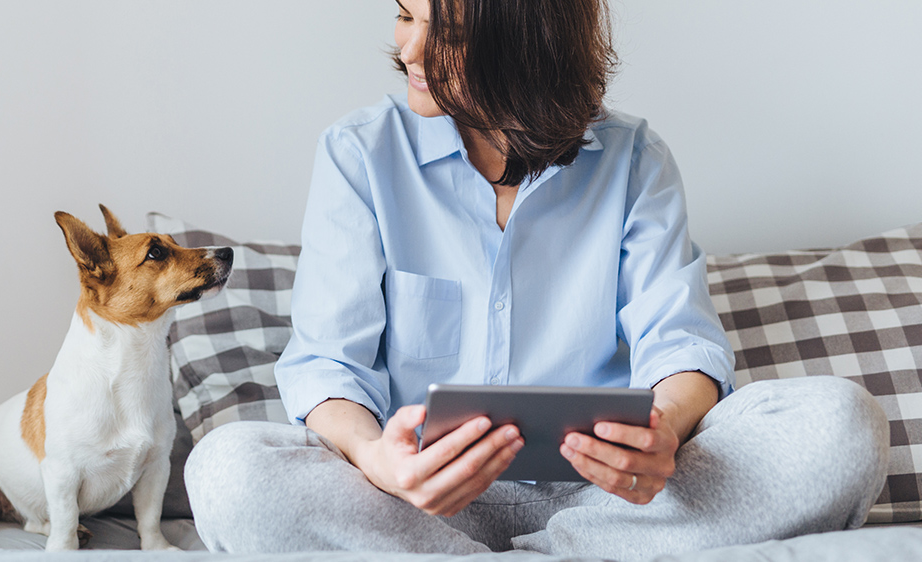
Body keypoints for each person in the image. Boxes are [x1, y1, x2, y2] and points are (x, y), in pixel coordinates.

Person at [183, 0, 889, 559]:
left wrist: (663, 432)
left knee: (841, 426)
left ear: (529, 39)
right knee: (227, 471)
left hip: (611, 501)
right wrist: (378, 460)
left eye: (447, 31)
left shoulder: (634, 159)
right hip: (411, 505)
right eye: (405, 14)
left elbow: (680, 345)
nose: (407, 50)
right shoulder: (359, 153)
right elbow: (327, 364)